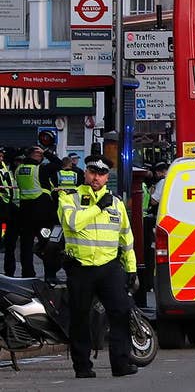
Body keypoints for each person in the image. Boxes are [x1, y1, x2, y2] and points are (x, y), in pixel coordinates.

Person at [57, 154, 139, 378]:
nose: (96, 178)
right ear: (85, 173)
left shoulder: (116, 203)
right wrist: (98, 208)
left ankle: (121, 364)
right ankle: (82, 366)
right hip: (80, 267)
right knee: (80, 317)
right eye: (92, 172)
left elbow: (126, 237)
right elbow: (73, 224)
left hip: (109, 267)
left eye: (101, 174)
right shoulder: (69, 198)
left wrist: (131, 268)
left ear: (106, 177)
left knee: (121, 312)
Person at [13, 146, 60, 278]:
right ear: (36, 155)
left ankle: (27, 274)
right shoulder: (40, 169)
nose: (42, 157)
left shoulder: (18, 169)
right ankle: (49, 275)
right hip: (42, 214)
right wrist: (46, 152)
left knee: (26, 246)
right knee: (47, 244)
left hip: (25, 213)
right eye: (40, 155)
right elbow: (59, 164)